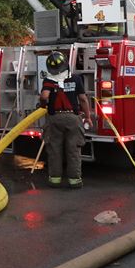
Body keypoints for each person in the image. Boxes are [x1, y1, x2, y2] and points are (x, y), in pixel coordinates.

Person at [40, 50, 94, 189]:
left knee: (55, 149)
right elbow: (83, 99)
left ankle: (55, 180)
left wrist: (43, 103)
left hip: (54, 118)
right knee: (73, 150)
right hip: (73, 119)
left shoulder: (49, 80)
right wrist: (88, 117)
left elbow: (44, 96)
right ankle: (75, 181)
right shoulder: (75, 79)